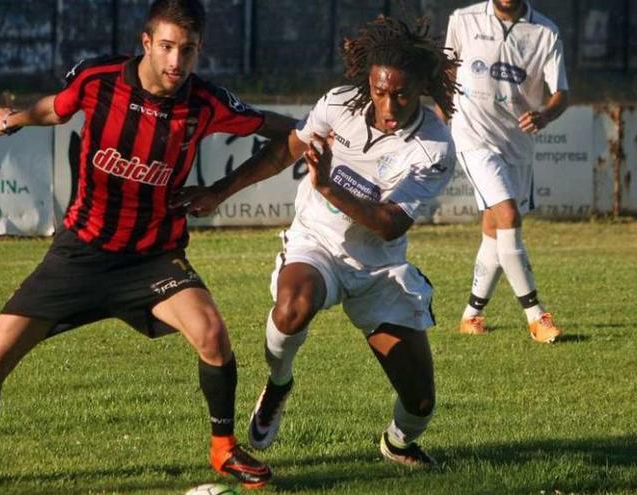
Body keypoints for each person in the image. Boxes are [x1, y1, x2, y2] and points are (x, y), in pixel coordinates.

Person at [0, 0, 292, 489]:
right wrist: (18, 118)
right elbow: (57, 106)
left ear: (199, 51)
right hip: (80, 255)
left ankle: (224, 452)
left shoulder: (206, 104)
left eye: (188, 51)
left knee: (213, 337)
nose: (177, 62)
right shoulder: (99, 79)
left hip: (153, 258)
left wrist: (219, 191)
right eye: (168, 47)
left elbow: (284, 133)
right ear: (146, 42)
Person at [175, 15, 459, 468]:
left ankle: (398, 443)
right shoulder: (339, 104)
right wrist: (220, 191)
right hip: (317, 244)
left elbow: (389, 224)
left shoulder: (434, 147)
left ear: (421, 88)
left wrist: (328, 187)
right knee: (292, 307)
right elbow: (287, 146)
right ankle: (279, 383)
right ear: (368, 82)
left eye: (401, 94)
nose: (388, 105)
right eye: (380, 91)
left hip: (377, 270)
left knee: (420, 401)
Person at [445, 0, 569, 342]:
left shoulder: (545, 31)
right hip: (473, 137)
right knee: (508, 216)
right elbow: (444, 69)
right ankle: (536, 316)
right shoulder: (463, 20)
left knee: (495, 228)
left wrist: (545, 113)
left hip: (517, 143)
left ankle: (472, 315)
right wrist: (444, 113)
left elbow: (561, 92)